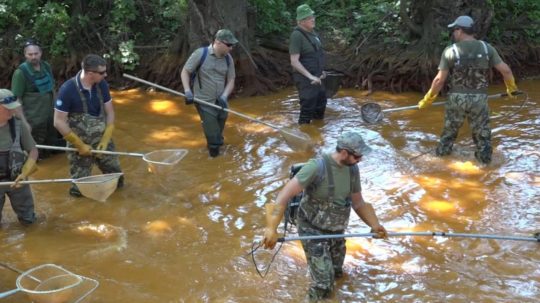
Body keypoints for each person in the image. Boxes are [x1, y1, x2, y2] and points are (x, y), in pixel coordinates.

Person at [262, 131, 387, 301]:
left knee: (336, 274)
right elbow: (283, 196)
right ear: (344, 152)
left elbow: (358, 203)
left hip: (336, 229)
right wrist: (271, 228)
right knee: (323, 285)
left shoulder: (352, 170)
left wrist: (375, 225)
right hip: (311, 229)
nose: (360, 160)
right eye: (357, 156)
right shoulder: (316, 167)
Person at [418, 15, 519, 164]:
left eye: (454, 30)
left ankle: (441, 161)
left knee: (449, 134)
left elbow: (439, 80)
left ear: (460, 30)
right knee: (482, 136)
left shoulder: (450, 50)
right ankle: (485, 167)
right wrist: (511, 88)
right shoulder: (487, 48)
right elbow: (506, 71)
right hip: (479, 100)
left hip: (456, 99)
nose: (453, 33)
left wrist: (428, 98)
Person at [53, 54, 123, 197]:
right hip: (79, 144)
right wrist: (79, 145)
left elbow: (110, 113)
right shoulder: (67, 89)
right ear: (90, 73)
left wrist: (106, 138)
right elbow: (58, 121)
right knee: (79, 187)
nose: (106, 75)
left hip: (102, 139)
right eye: (102, 72)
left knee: (117, 178)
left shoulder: (102, 85)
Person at [180, 29, 237, 157]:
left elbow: (231, 80)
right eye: (229, 45)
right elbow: (185, 72)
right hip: (204, 101)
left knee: (218, 133)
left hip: (221, 102)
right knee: (215, 141)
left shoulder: (229, 59)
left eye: (232, 45)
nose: (231, 48)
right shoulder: (200, 54)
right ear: (218, 42)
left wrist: (224, 96)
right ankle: (215, 164)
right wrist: (188, 91)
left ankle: (212, 148)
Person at [10, 39, 62, 157]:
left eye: (36, 54)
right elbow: (16, 101)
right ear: (25, 55)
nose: (33, 57)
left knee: (51, 151)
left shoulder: (46, 67)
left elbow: (52, 90)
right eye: (30, 54)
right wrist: (24, 124)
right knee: (35, 155)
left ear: (41, 53)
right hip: (33, 121)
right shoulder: (20, 73)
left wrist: (59, 112)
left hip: (50, 118)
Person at [0, 89, 38, 226]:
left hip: (17, 180)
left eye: (13, 108)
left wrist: (25, 172)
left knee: (29, 220)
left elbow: (33, 151)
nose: (12, 111)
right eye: (7, 109)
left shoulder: (18, 125)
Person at [289, 4, 327, 124]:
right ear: (301, 21)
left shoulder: (313, 33)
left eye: (312, 16)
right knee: (307, 108)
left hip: (318, 77)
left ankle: (317, 134)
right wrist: (310, 76)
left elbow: (317, 55)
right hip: (306, 79)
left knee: (321, 104)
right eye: (309, 18)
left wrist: (321, 72)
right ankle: (303, 135)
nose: (313, 19)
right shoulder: (296, 36)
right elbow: (294, 61)